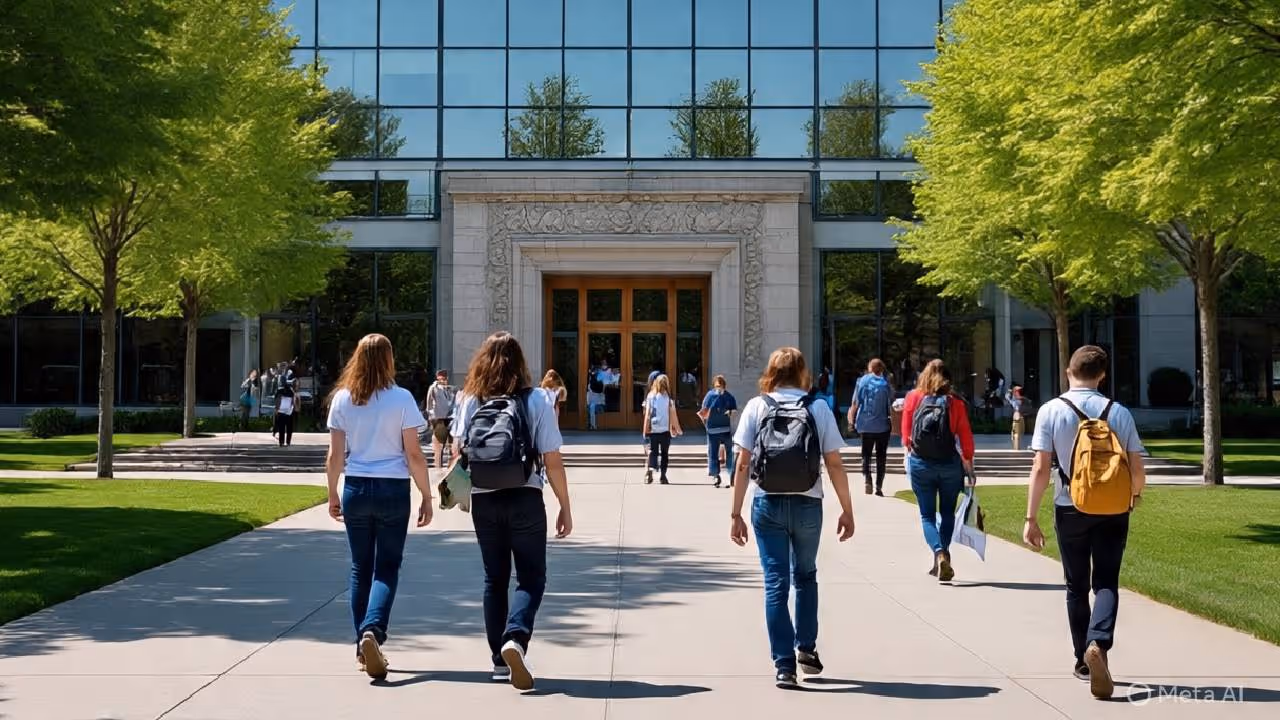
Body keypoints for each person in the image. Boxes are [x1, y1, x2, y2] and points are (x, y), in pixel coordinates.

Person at [1023, 345, 1146, 700]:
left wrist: (1031, 517)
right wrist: (1133, 497)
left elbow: (1040, 468)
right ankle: (1099, 645)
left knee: (1076, 586)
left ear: (1067, 371)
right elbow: (1137, 470)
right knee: (1106, 581)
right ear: (1102, 375)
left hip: (1069, 506)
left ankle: (1082, 659)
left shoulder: (1050, 411)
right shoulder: (1117, 412)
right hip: (1112, 509)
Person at [452, 331, 573, 691]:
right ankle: (515, 638)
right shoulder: (536, 399)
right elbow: (552, 459)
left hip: (484, 496)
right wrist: (565, 505)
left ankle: (497, 662)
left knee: (495, 579)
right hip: (524, 495)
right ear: (520, 363)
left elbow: (460, 450)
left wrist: (455, 494)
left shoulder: (471, 399)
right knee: (532, 577)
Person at [730, 347, 855, 689]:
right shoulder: (817, 407)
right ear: (802, 371)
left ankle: (783, 665)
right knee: (805, 575)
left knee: (775, 583)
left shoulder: (757, 406)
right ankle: (807, 650)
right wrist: (847, 508)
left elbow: (742, 464)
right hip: (807, 503)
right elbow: (834, 463)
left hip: (766, 503)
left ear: (771, 371)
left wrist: (735, 513)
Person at [324, 333, 433, 681]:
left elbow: (334, 456)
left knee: (360, 569)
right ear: (388, 360)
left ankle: (361, 644)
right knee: (386, 568)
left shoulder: (342, 399)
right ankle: (373, 631)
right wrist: (427, 495)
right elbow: (413, 454)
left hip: (356, 485)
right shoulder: (401, 398)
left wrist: (332, 493)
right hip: (393, 488)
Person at [902, 358, 975, 583]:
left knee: (926, 515)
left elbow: (906, 437)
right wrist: (969, 467)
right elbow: (965, 439)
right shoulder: (956, 403)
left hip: (921, 463)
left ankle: (938, 553)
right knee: (946, 513)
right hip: (949, 464)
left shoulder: (913, 398)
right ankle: (944, 553)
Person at [848, 359, 894, 496]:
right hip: (882, 425)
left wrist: (851, 421)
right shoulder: (886, 384)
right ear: (881, 369)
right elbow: (890, 404)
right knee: (881, 456)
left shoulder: (862, 381)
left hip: (865, 424)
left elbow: (855, 403)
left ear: (870, 368)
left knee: (866, 454)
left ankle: (867, 479)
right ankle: (879, 487)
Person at [698, 374, 738, 488]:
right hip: (712, 429)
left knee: (729, 452)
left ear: (724, 386)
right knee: (713, 452)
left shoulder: (729, 396)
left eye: (721, 386)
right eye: (717, 386)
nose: (719, 388)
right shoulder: (710, 396)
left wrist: (730, 413)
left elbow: (734, 410)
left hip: (725, 429)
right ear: (714, 386)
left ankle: (731, 474)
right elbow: (703, 410)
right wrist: (705, 422)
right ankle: (716, 475)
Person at [642, 373, 682, 485]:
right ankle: (663, 476)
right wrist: (678, 429)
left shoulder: (651, 396)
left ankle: (650, 470)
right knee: (665, 454)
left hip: (653, 430)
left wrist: (645, 429)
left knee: (652, 452)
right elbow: (673, 415)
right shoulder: (669, 399)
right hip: (665, 431)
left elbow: (648, 414)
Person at [423, 369, 456, 473]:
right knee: (439, 445)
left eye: (445, 377)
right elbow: (429, 405)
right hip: (439, 419)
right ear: (438, 377)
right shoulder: (434, 388)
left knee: (451, 445)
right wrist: (431, 419)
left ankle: (451, 470)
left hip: (450, 419)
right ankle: (438, 469)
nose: (444, 379)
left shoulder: (451, 389)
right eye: (441, 377)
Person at [273, 378, 297, 447]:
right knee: (289, 428)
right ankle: (288, 442)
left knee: (281, 428)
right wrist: (292, 408)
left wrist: (277, 409)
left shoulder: (279, 391)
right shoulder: (291, 392)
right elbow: (293, 402)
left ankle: (281, 442)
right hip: (289, 412)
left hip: (281, 411)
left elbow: (277, 400)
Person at [586, 359, 609, 430]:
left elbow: (602, 387)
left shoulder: (599, 376)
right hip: (593, 396)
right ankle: (592, 425)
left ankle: (593, 425)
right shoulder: (592, 377)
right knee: (591, 407)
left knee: (592, 407)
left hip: (598, 398)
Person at [1006, 382, 1028, 450]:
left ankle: (1017, 448)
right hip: (1018, 419)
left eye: (1015, 392)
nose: (1013, 393)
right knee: (1015, 434)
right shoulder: (1018, 400)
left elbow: (1008, 398)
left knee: (1016, 434)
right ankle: (1016, 448)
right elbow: (1008, 398)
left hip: (1018, 419)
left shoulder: (1019, 401)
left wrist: (1009, 392)